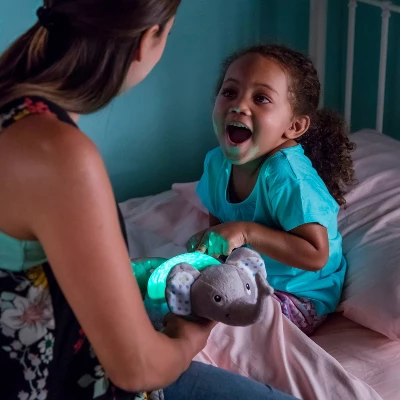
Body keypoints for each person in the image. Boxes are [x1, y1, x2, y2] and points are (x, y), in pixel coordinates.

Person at [0, 2, 299, 400]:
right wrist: (191, 331)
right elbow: (138, 369)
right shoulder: (56, 153)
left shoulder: (13, 105)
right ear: (147, 40)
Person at [188, 44, 356, 336]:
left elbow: (316, 255)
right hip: (245, 275)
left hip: (299, 293)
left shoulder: (288, 176)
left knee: (222, 331)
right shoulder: (216, 163)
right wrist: (212, 249)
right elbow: (220, 220)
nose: (239, 105)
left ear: (294, 126)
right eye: (230, 92)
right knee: (175, 296)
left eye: (261, 98)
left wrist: (246, 232)